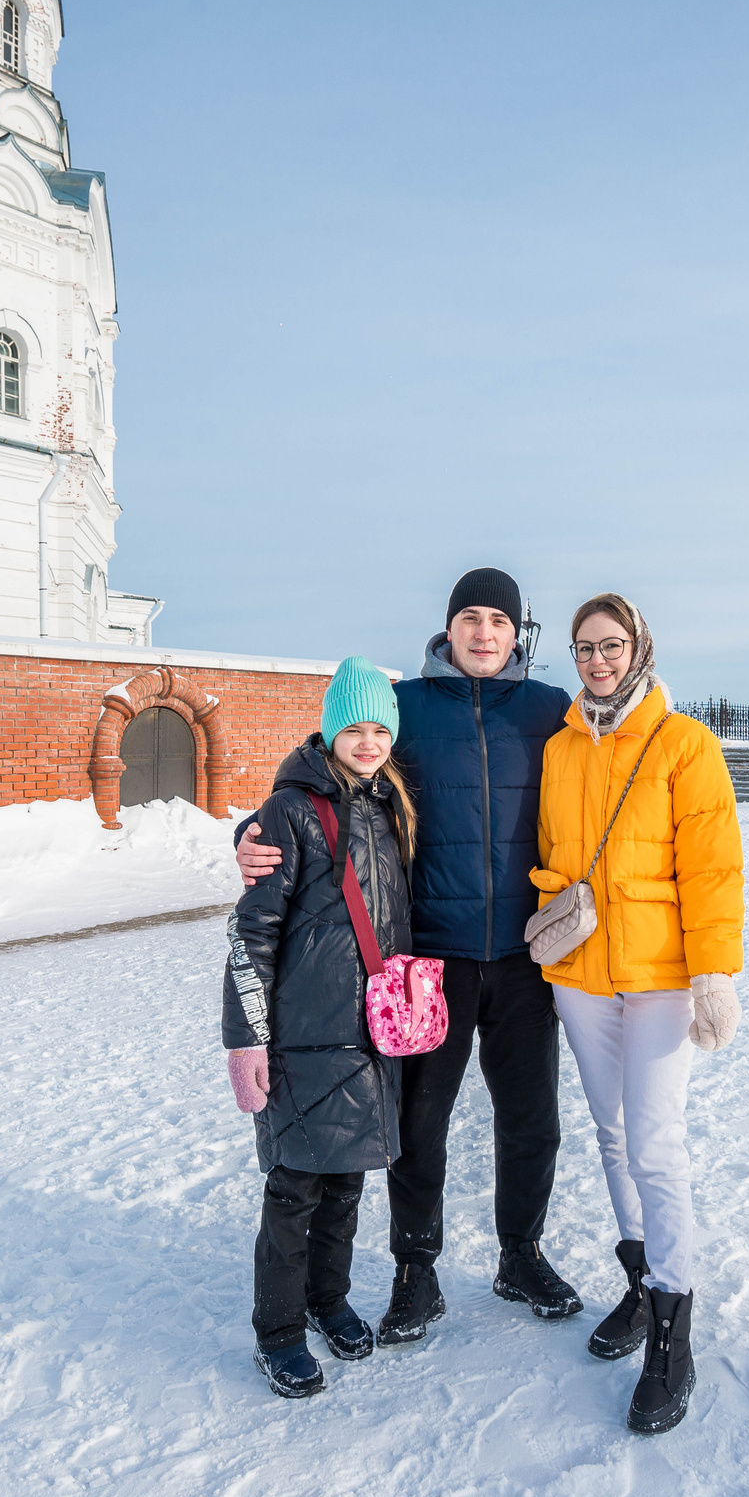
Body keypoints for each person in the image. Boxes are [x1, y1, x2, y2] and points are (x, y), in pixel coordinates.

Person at [234, 568, 581, 1347]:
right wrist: (252, 836)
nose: (484, 632)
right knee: (420, 1123)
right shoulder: (411, 707)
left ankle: (521, 1254)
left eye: (498, 618)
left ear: (517, 631)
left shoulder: (549, 711)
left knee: (532, 1119)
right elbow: (331, 765)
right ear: (447, 628)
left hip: (526, 957)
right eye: (470, 617)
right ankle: (414, 1271)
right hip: (430, 960)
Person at [533, 593, 745, 1434]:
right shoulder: (558, 747)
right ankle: (638, 1274)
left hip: (660, 976)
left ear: (639, 647)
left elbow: (713, 864)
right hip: (582, 973)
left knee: (655, 1139)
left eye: (610, 645)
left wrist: (714, 972)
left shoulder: (682, 742)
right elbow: (550, 850)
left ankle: (672, 1325)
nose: (596, 660)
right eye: (584, 648)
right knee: (612, 1133)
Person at [221, 658, 417, 1398]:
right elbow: (253, 932)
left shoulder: (386, 803)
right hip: (304, 1038)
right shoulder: (293, 810)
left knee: (346, 1186)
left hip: (368, 1038)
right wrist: (247, 1038)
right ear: (331, 729)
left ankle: (327, 1298)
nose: (367, 742)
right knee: (294, 1189)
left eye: (379, 729)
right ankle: (277, 1330)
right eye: (354, 728)